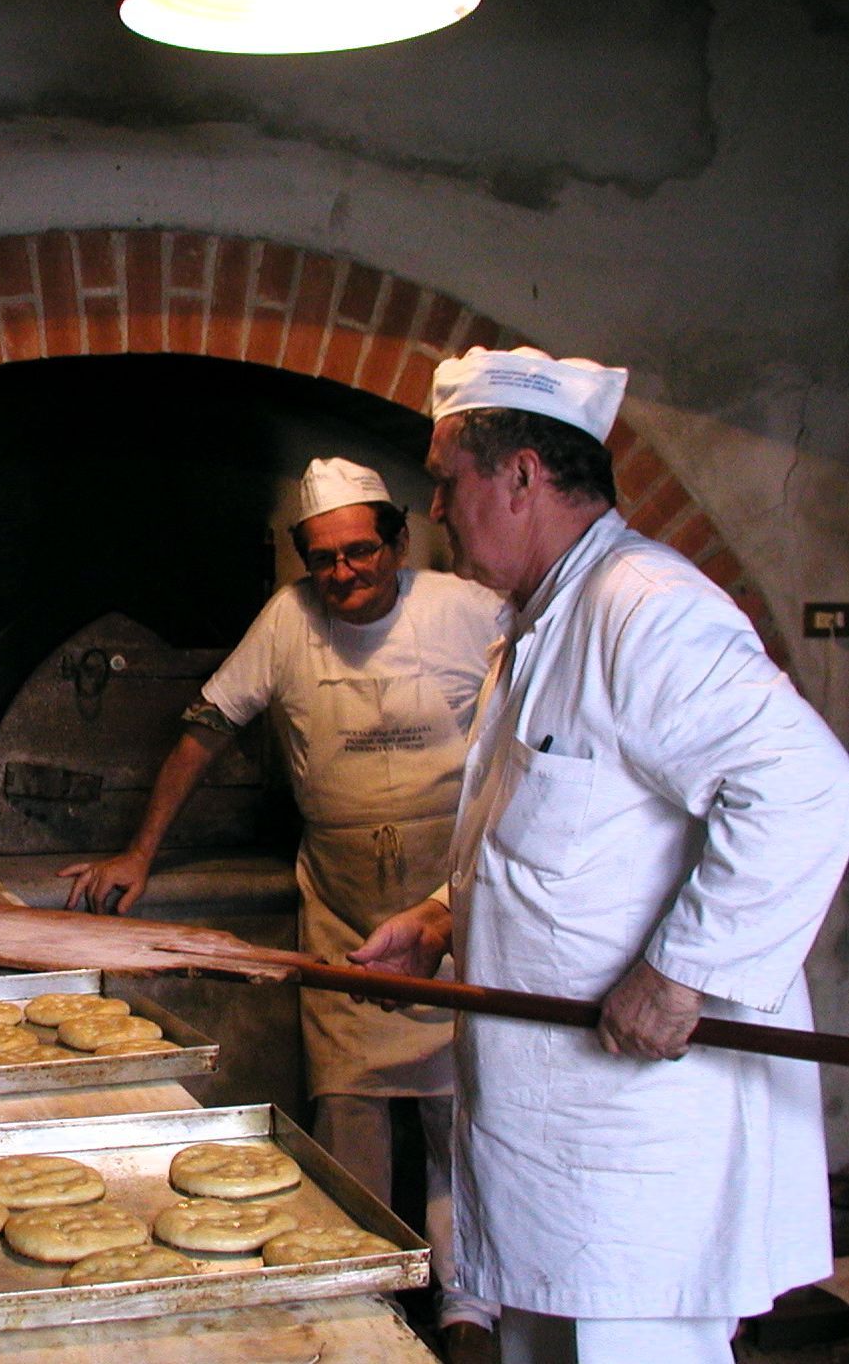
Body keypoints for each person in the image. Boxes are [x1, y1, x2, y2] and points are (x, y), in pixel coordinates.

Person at [351, 346, 849, 1364]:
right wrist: (444, 921)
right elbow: (560, 843)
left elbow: (804, 785)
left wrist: (678, 975)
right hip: (547, 1142)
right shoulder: (530, 630)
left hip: (634, 1151)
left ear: (520, 476)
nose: (434, 508)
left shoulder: (644, 609)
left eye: (446, 482)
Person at [61, 456, 505, 1357]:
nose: (342, 574)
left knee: (461, 1118)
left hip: (451, 904)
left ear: (398, 540)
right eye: (322, 560)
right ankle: (363, 1300)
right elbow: (206, 725)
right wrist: (139, 852)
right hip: (343, 908)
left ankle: (469, 1309)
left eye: (358, 554)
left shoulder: (470, 612)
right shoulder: (287, 621)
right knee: (348, 1112)